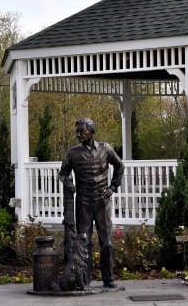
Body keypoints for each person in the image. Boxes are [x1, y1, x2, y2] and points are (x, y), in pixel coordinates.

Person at [58, 117, 124, 289]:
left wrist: (113, 187)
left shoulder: (105, 148)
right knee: (83, 243)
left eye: (82, 131)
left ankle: (109, 280)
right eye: (77, 132)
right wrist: (68, 183)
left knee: (107, 242)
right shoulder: (72, 153)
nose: (79, 135)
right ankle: (84, 280)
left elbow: (120, 166)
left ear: (91, 132)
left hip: (102, 202)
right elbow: (62, 173)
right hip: (83, 203)